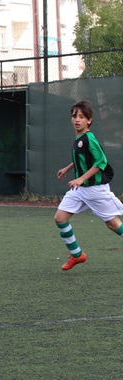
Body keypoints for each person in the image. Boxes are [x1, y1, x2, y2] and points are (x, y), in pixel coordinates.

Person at [54, 100, 123, 270]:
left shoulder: (89, 138)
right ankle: (77, 254)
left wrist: (81, 179)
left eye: (82, 117)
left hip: (95, 190)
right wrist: (68, 168)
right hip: (80, 190)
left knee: (113, 224)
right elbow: (83, 159)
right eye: (74, 116)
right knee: (60, 218)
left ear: (89, 120)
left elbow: (101, 162)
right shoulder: (79, 139)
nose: (77, 119)